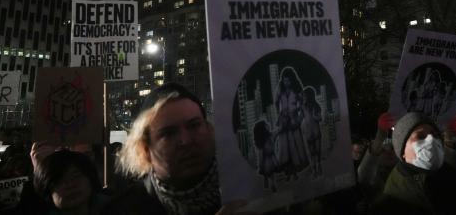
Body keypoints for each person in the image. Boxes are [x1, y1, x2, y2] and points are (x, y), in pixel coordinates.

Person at [102, 82, 247, 215]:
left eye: (194, 125)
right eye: (168, 133)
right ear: (146, 150)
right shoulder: (123, 210)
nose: (185, 141)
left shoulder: (252, 186)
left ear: (209, 130)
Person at [373, 112, 456, 214]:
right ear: (402, 151)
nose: (431, 139)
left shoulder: (454, 180)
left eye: (435, 135)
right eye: (420, 136)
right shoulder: (391, 201)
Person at [34, 149, 109, 215]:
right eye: (59, 181)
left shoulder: (115, 208)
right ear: (47, 191)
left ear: (90, 178)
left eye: (76, 176)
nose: (70, 185)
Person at [275, 67, 309, 180]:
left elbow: (303, 108)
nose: (286, 83)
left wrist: (298, 120)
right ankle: (288, 173)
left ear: (292, 80)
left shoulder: (297, 92)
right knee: (285, 150)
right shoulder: (280, 92)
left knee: (296, 149)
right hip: (284, 124)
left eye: (288, 80)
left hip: (294, 124)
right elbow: (277, 106)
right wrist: (281, 118)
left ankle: (294, 173)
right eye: (284, 80)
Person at [301, 86, 323, 178]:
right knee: (311, 152)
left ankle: (318, 167)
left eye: (304, 96)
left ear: (309, 96)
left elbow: (320, 118)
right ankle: (314, 170)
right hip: (308, 132)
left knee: (317, 151)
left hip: (315, 131)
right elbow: (302, 118)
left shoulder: (315, 106)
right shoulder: (303, 106)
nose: (303, 97)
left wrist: (314, 116)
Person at [253, 120, 279, 192]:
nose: (268, 124)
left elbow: (276, 132)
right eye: (266, 125)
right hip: (268, 159)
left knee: (270, 173)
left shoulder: (268, 136)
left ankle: (271, 183)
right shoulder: (263, 141)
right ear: (263, 128)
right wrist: (260, 165)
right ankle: (271, 184)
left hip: (268, 159)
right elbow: (260, 155)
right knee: (270, 172)